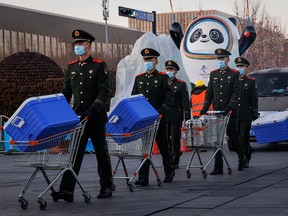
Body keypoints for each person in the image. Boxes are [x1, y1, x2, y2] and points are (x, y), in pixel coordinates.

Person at [51, 29, 114, 202]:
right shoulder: (71, 67)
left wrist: (93, 108)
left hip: (96, 116)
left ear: (89, 45)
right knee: (74, 153)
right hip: (79, 118)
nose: (78, 46)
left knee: (101, 152)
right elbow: (66, 92)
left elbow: (105, 91)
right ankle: (67, 190)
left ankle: (107, 185)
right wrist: (59, 109)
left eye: (81, 43)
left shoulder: (99, 65)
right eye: (76, 44)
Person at [131, 48, 175, 185]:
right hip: (145, 120)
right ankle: (143, 177)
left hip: (159, 119)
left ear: (156, 61)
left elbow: (169, 98)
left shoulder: (163, 78)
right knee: (145, 148)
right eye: (146, 60)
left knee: (163, 147)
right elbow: (134, 98)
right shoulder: (139, 78)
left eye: (150, 59)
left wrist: (161, 112)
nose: (148, 62)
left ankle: (169, 171)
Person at [200, 48, 245, 175]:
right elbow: (209, 93)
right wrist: (205, 107)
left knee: (234, 138)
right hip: (217, 112)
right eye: (219, 59)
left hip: (229, 112)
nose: (220, 61)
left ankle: (242, 158)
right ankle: (218, 167)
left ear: (228, 59)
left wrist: (230, 106)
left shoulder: (234, 74)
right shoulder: (214, 74)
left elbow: (236, 92)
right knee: (217, 140)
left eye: (222, 58)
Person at [165, 60, 190, 169]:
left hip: (176, 116)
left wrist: (187, 118)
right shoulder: (163, 83)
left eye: (171, 70)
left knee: (175, 139)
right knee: (166, 139)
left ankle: (175, 161)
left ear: (175, 71)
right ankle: (170, 156)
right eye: (167, 69)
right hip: (165, 116)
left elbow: (185, 102)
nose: (169, 71)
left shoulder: (180, 84)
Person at [235, 57, 258, 168]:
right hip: (234, 115)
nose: (240, 68)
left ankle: (244, 159)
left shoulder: (250, 82)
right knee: (236, 139)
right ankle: (246, 152)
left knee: (244, 137)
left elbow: (254, 99)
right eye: (238, 66)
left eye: (242, 67)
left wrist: (254, 113)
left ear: (246, 68)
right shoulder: (232, 81)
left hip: (245, 114)